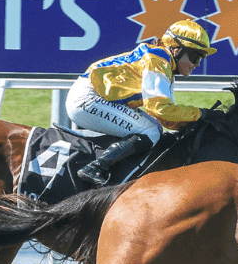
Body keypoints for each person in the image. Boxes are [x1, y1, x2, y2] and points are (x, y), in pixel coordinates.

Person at [66, 19, 218, 186]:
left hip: (92, 97)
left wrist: (198, 120)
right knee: (150, 131)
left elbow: (166, 119)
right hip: (88, 99)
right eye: (194, 57)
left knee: (155, 128)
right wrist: (201, 114)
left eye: (201, 59)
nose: (196, 64)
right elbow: (161, 109)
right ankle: (96, 167)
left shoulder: (164, 62)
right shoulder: (158, 60)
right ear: (176, 49)